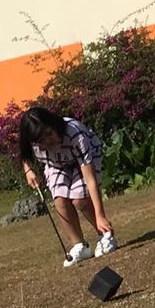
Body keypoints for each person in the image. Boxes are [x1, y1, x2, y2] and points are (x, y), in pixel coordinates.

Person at [19, 106, 117, 267]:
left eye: (49, 134)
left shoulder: (75, 134)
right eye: (41, 140)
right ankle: (80, 245)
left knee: (80, 199)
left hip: (85, 159)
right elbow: (25, 153)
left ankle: (105, 236)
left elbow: (90, 179)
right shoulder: (33, 140)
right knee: (60, 200)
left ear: (53, 124)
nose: (48, 141)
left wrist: (100, 215)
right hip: (57, 163)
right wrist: (28, 170)